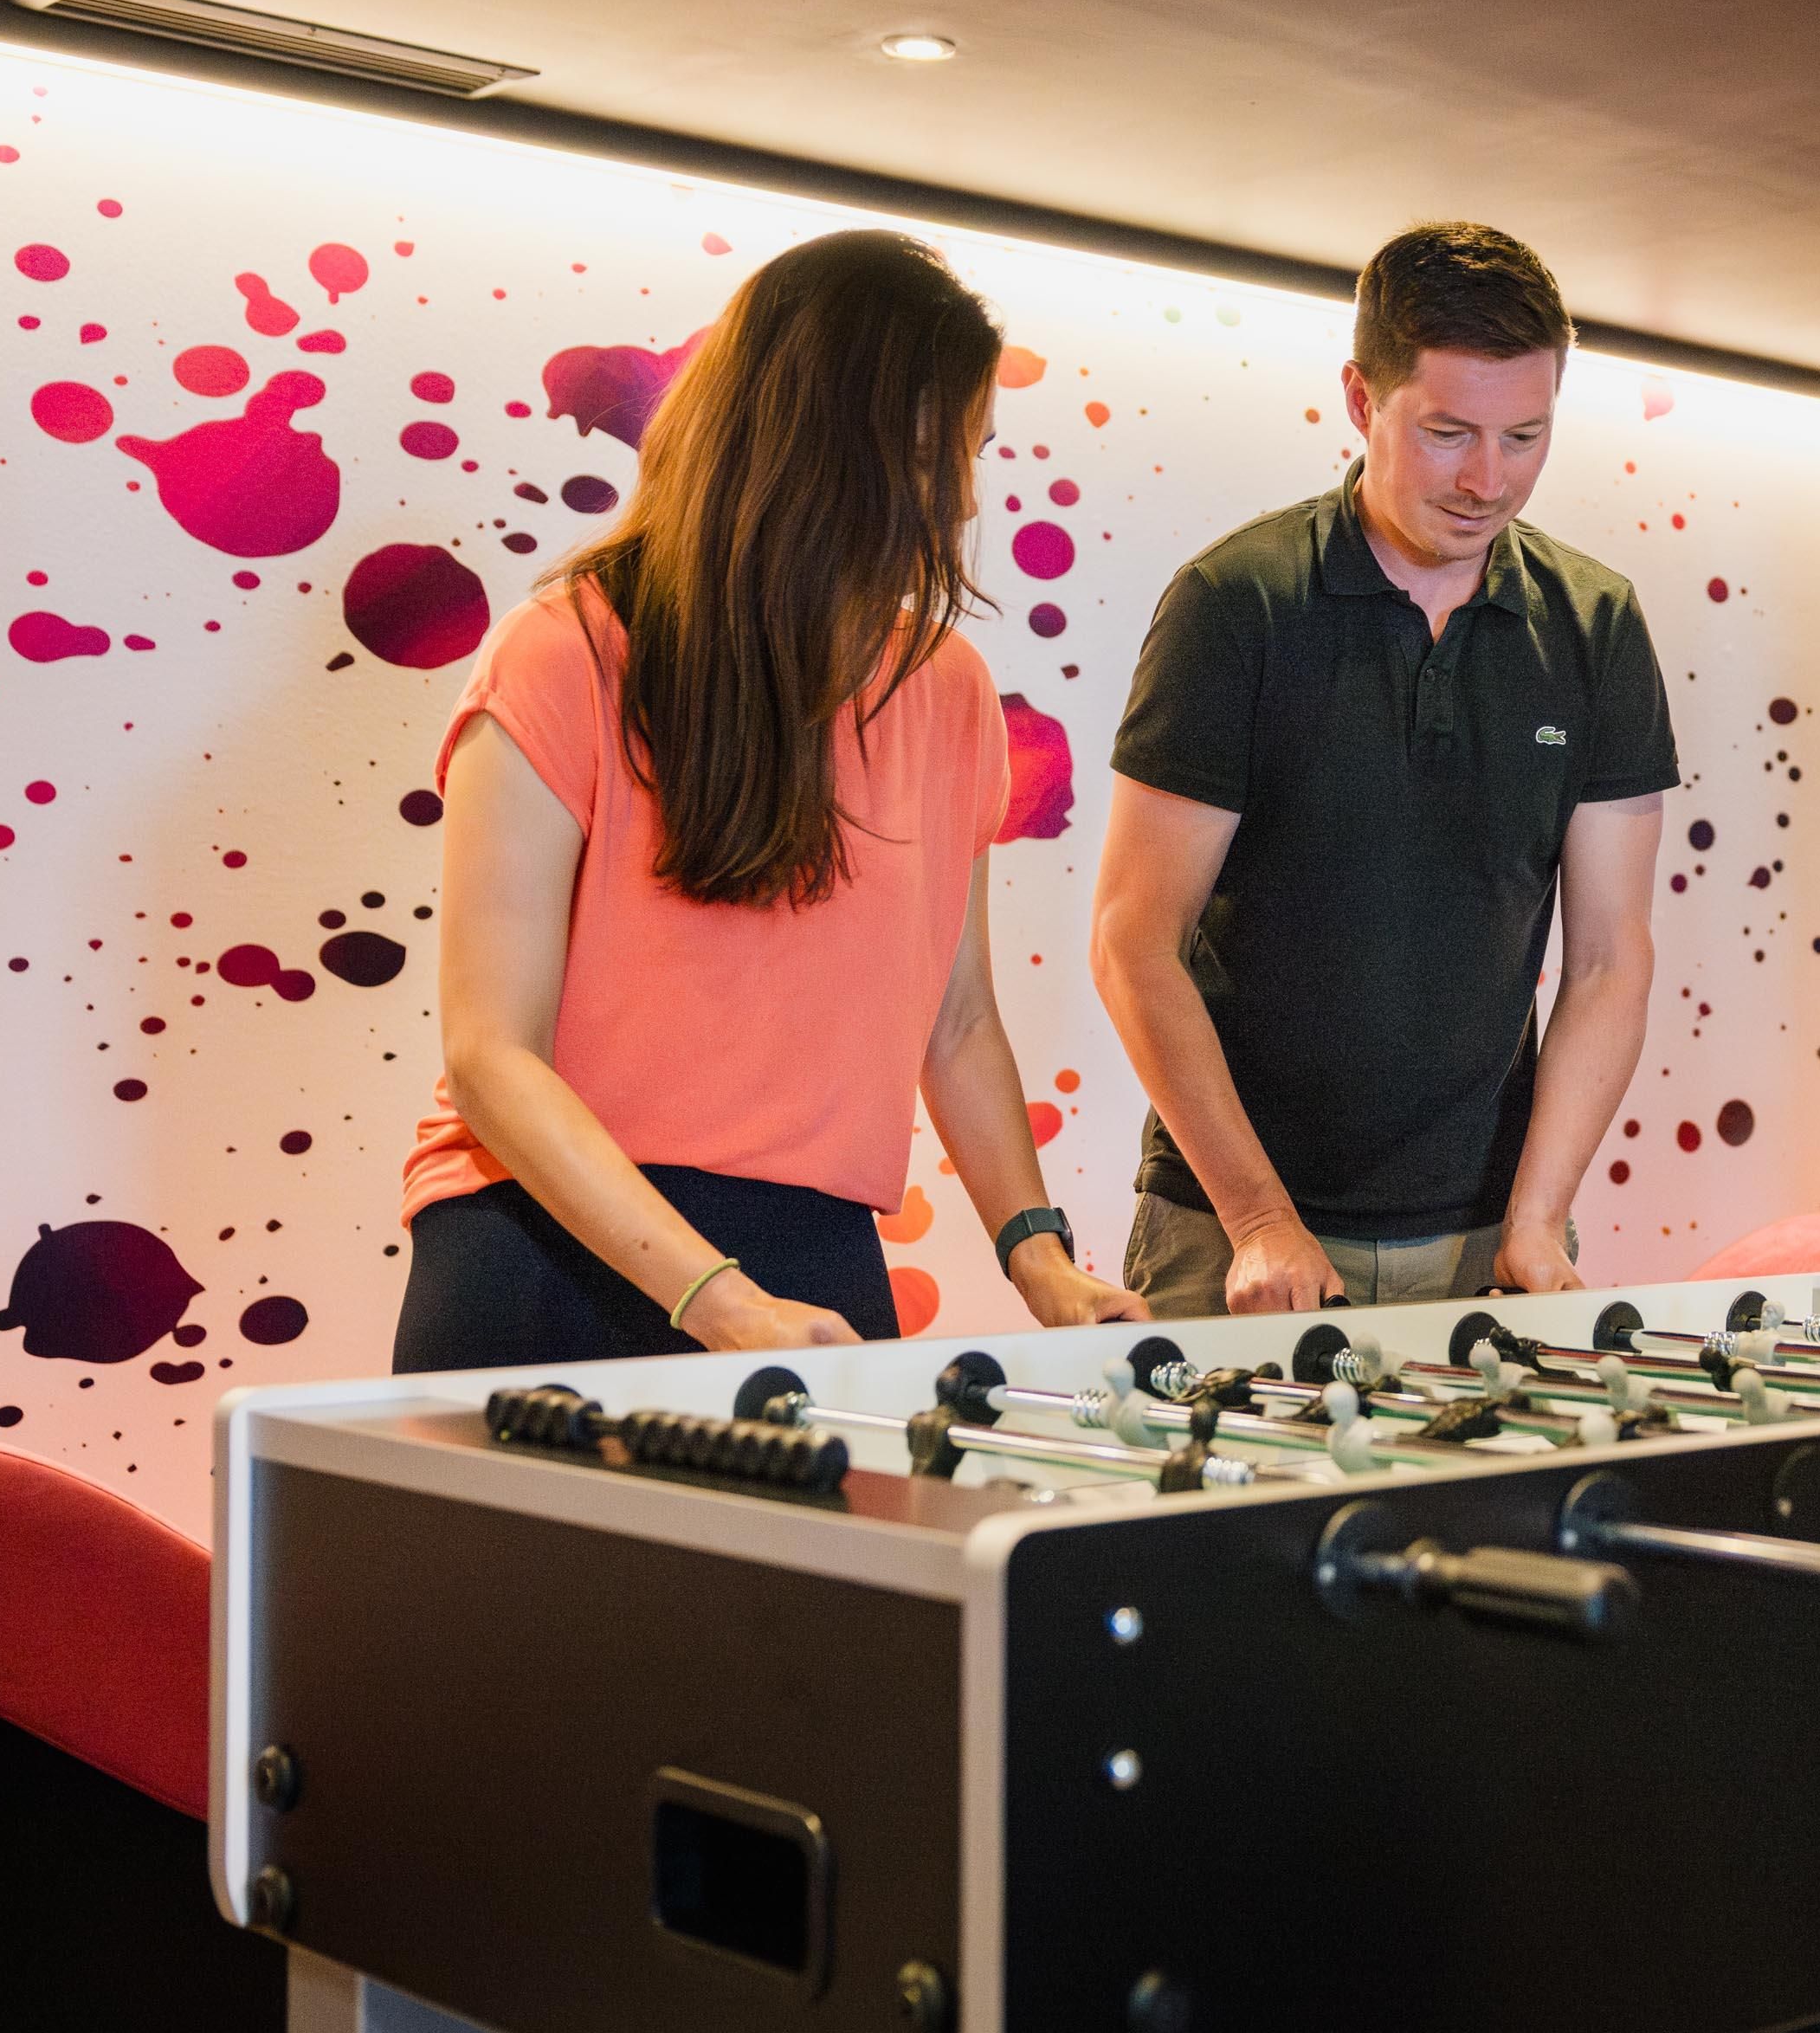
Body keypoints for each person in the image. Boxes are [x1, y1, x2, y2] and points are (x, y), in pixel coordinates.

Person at [394, 229, 1139, 1373]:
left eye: (975, 450)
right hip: (548, 1244)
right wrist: (716, 1300)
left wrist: (1039, 1256)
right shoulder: (563, 654)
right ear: (834, 447)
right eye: (943, 451)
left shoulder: (947, 689)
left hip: (813, 1250)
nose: (963, 499)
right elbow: (495, 1054)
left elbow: (959, 1020)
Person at [1091, 223, 1674, 1319]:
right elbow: (1135, 941)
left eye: (1525, 436)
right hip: (1231, 1228)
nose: (1487, 479)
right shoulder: (1238, 604)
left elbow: (1607, 961)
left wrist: (1539, 1219)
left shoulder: (1597, 625)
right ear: (1362, 400)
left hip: (1487, 1230)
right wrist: (1261, 1219)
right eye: (1448, 432)